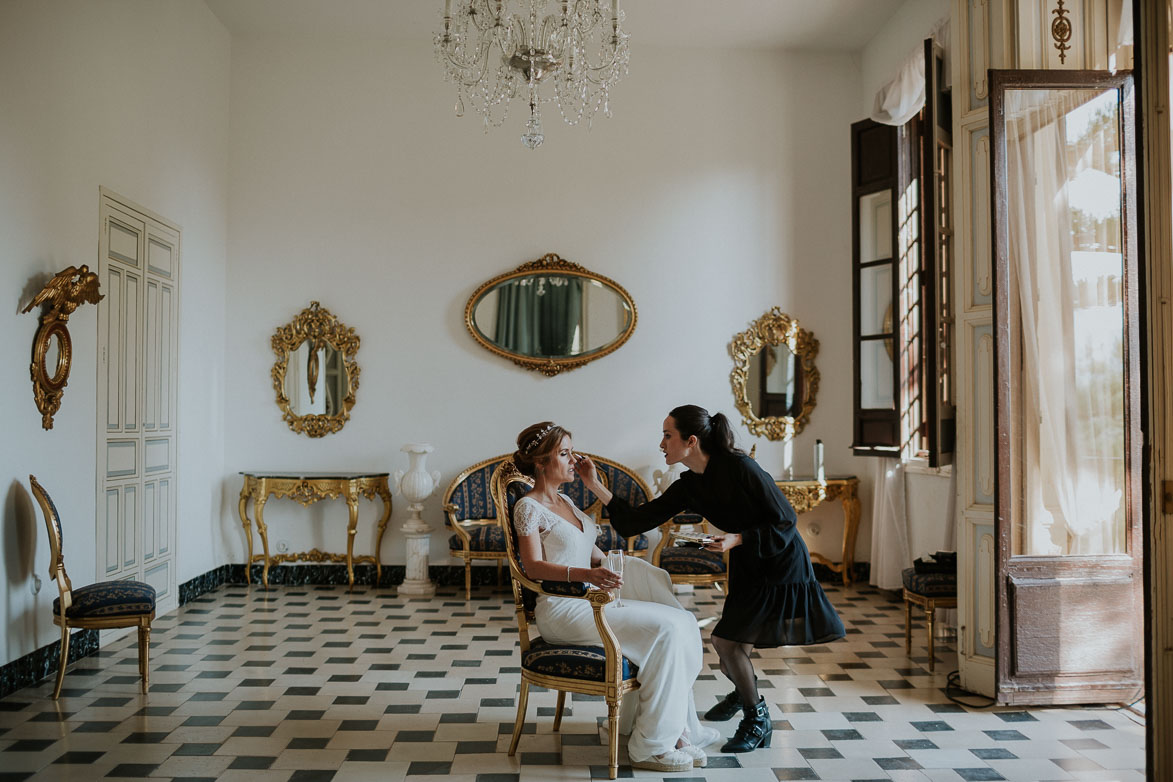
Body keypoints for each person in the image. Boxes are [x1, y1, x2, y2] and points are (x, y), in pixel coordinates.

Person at [575, 405, 846, 754]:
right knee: (732, 649)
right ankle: (744, 692)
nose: (661, 443)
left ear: (690, 441)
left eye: (667, 435)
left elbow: (785, 519)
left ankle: (757, 719)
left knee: (726, 644)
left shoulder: (740, 467)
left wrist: (737, 538)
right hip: (748, 565)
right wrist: (593, 484)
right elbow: (635, 522)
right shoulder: (688, 484)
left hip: (779, 561)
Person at [510, 422, 720, 773]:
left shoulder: (565, 501)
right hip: (563, 610)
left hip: (593, 599)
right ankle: (651, 746)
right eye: (564, 454)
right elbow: (532, 567)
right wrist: (586, 576)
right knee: (665, 631)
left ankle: (674, 730)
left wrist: (614, 566)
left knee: (681, 621)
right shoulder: (528, 508)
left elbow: (589, 553)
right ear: (542, 463)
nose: (573, 460)